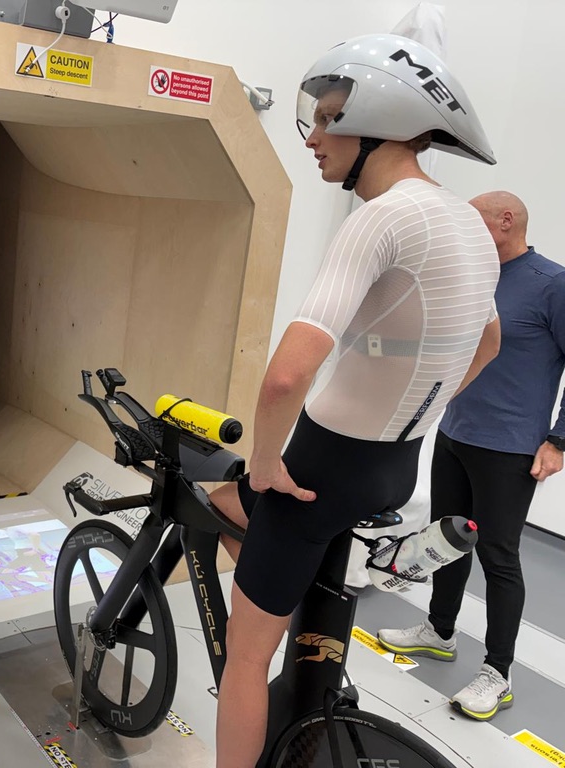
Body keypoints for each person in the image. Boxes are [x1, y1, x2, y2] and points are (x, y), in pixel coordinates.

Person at [206, 35, 501, 768]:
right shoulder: (467, 220)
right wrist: (425, 408)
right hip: (394, 469)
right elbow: (489, 342)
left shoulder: (381, 217)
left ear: (379, 124)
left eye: (328, 118)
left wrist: (266, 463)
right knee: (241, 513)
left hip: (318, 471)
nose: (312, 136)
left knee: (244, 655)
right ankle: (302, 658)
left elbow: (285, 378)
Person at [378, 191, 565, 721]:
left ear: (506, 221)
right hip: (456, 432)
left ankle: (497, 674)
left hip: (510, 448)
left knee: (498, 557)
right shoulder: (477, 275)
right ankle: (439, 632)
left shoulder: (552, 284)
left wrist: (559, 440)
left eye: (474, 219)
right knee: (445, 538)